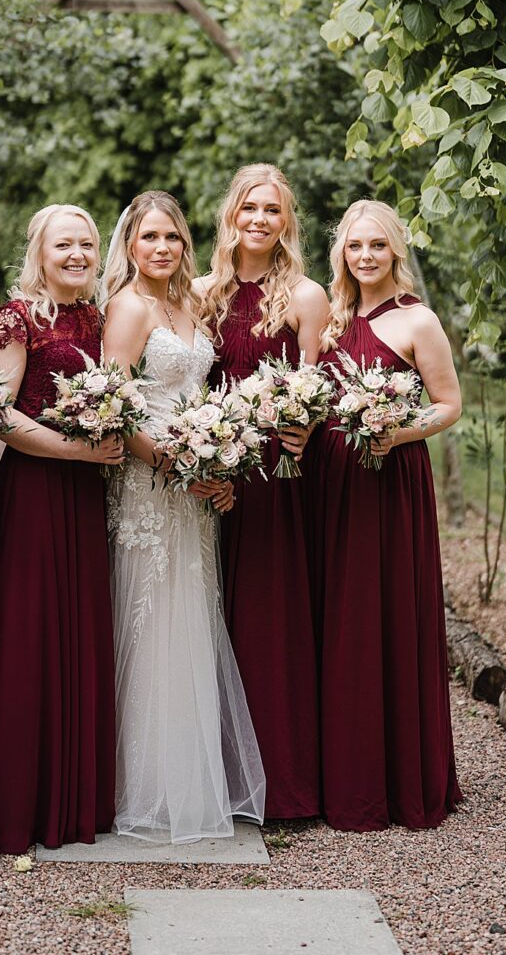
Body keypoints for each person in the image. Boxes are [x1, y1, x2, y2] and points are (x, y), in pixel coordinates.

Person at [99, 190, 265, 842]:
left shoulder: (191, 303)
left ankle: (187, 782)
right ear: (131, 245)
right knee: (148, 616)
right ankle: (138, 785)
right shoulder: (129, 306)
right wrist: (174, 464)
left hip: (196, 486)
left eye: (171, 236)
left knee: (191, 614)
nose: (162, 247)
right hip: (149, 482)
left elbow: (206, 395)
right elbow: (112, 405)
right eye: (150, 238)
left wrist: (218, 470)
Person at [310, 199, 463, 831]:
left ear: (395, 251)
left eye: (376, 246)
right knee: (335, 615)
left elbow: (449, 404)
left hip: (386, 480)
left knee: (381, 615)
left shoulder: (417, 321)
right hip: (329, 479)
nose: (365, 257)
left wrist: (396, 431)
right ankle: (335, 768)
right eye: (354, 246)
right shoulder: (332, 314)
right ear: (342, 253)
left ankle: (391, 778)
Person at [0, 205, 122, 853]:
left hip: (88, 496)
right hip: (36, 490)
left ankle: (79, 796)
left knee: (81, 629)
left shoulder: (99, 317)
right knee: (30, 634)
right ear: (39, 252)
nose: (76, 253)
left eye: (86, 243)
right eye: (63, 243)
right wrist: (72, 451)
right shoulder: (18, 317)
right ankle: (21, 802)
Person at [199, 165, 328, 820]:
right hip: (208, 468)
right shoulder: (200, 293)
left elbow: (316, 385)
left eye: (271, 210)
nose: (258, 218)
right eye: (249, 206)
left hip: (274, 477)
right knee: (204, 614)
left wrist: (301, 424)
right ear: (232, 214)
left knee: (267, 621)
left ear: (286, 222)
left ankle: (279, 780)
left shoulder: (306, 295)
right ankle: (209, 773)